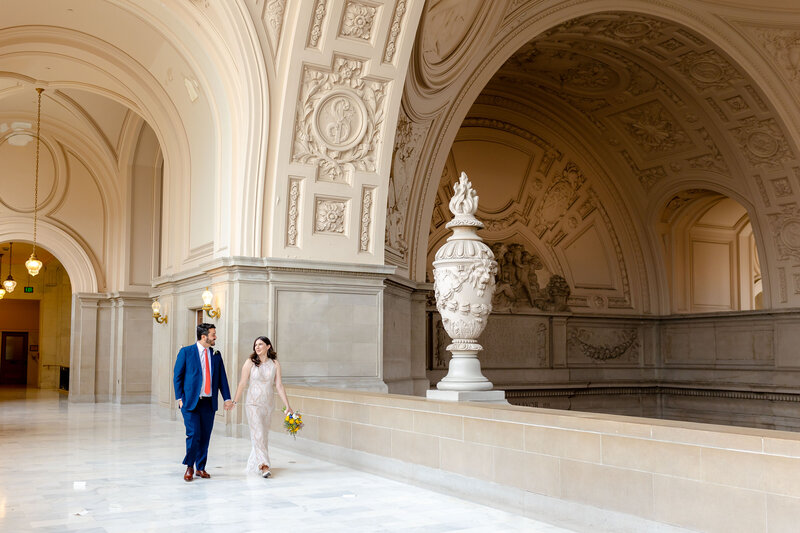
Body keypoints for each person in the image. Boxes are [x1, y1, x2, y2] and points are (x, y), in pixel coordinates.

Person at [173, 322, 234, 482]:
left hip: (209, 403)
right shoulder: (186, 352)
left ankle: (201, 467)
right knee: (193, 434)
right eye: (213, 334)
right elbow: (177, 376)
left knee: (205, 435)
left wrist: (227, 398)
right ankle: (189, 467)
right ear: (204, 336)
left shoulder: (215, 354)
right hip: (190, 402)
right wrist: (179, 398)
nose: (216, 337)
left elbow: (222, 379)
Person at [232, 336, 293, 478]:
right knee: (258, 433)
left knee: (263, 436)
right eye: (255, 345)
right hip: (253, 403)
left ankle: (255, 464)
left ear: (268, 346)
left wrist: (287, 406)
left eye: (260, 344)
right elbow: (242, 383)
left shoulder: (275, 364)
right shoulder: (250, 362)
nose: (257, 347)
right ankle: (264, 466)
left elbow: (279, 385)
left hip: (268, 404)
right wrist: (235, 401)